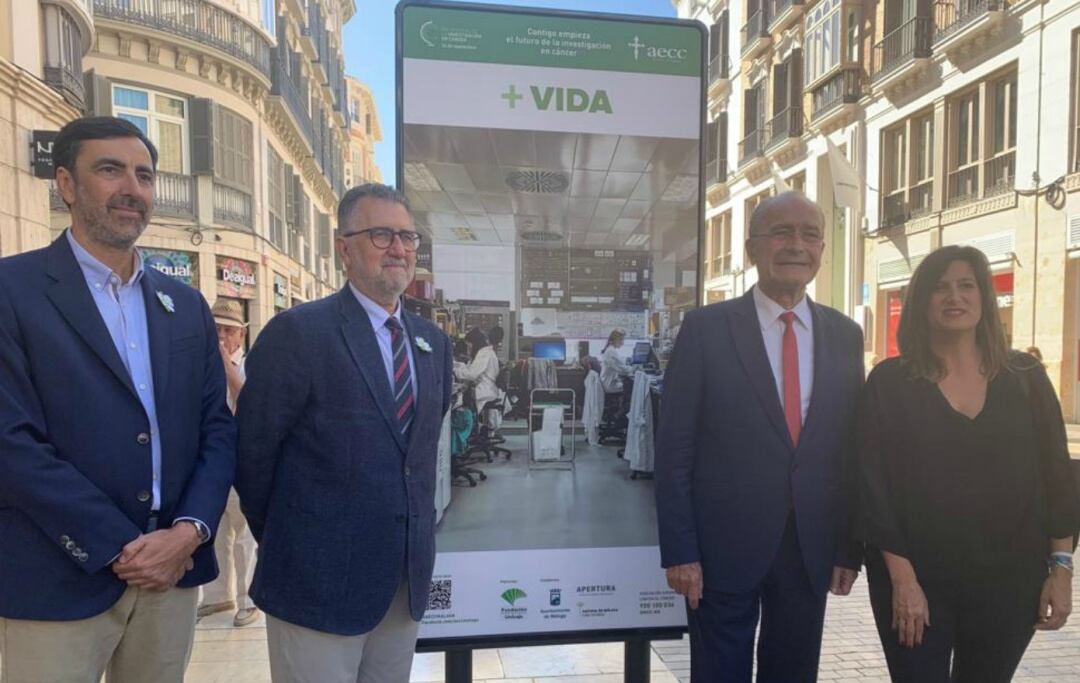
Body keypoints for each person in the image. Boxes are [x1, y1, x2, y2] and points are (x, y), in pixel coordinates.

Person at [0, 116, 235, 682]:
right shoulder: (13, 291)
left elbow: (218, 429)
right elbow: (10, 442)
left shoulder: (185, 305)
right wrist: (120, 547)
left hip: (171, 575)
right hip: (56, 577)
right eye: (110, 170)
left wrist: (189, 532)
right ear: (66, 183)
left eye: (145, 175)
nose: (132, 188)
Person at [236, 183, 452, 683]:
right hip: (316, 582)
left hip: (401, 583)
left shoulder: (432, 343)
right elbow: (253, 454)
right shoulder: (299, 333)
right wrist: (296, 539)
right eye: (381, 235)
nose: (399, 248)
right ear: (343, 247)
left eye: (408, 237)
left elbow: (417, 456)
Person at [655, 191, 864, 683]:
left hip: (809, 547)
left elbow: (849, 450)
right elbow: (675, 446)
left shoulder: (844, 335)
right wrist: (680, 550)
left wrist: (847, 549)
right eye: (781, 233)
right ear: (752, 249)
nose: (797, 245)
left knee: (793, 673)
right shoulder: (706, 329)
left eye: (810, 234)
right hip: (719, 549)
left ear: (821, 250)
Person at [857, 245, 1079, 682]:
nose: (953, 297)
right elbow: (872, 485)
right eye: (940, 288)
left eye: (965, 286)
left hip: (1009, 583)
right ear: (922, 302)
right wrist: (903, 581)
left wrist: (1062, 571)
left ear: (984, 298)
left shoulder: (1026, 378)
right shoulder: (890, 382)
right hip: (916, 581)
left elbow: (1058, 475)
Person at [198, 298, 259, 627]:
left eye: (228, 330)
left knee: (246, 533)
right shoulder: (199, 366)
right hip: (210, 459)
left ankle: (249, 598)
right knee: (215, 529)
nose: (221, 336)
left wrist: (225, 364)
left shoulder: (251, 364)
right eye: (216, 329)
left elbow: (249, 400)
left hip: (244, 459)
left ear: (240, 335)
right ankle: (218, 596)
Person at [600, 328, 634, 394]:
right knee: (634, 386)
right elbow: (623, 370)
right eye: (621, 339)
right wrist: (633, 369)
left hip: (607, 382)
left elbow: (619, 366)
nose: (622, 342)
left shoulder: (610, 349)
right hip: (610, 385)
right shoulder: (611, 351)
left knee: (630, 383)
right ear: (616, 340)